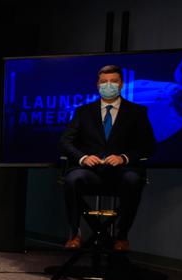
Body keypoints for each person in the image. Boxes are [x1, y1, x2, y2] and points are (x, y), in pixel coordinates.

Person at [58, 64, 157, 250]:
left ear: (121, 84)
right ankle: (74, 233)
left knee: (133, 180)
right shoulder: (83, 112)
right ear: (97, 85)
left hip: (121, 172)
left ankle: (122, 236)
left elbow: (148, 146)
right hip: (89, 171)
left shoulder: (137, 112)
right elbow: (65, 142)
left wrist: (124, 158)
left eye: (113, 81)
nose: (108, 85)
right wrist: (83, 157)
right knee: (72, 179)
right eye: (104, 82)